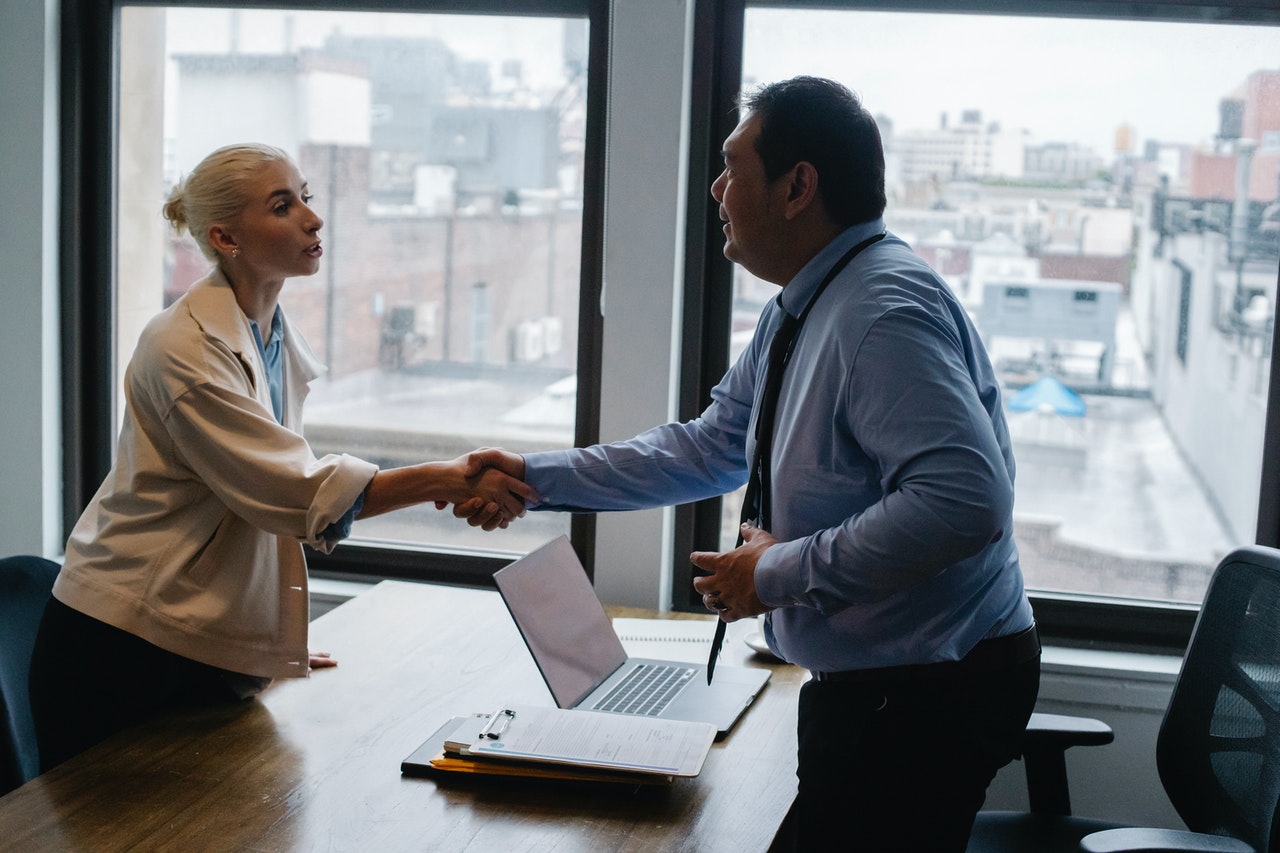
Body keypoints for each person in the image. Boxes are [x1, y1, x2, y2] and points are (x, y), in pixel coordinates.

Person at [464, 77, 1039, 851]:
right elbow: (711, 446)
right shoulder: (807, 301)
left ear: (798, 186)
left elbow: (965, 500)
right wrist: (536, 477)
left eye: (733, 166)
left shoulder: (882, 310)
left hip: (926, 691)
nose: (716, 187)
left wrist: (772, 574)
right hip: (884, 685)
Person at [28, 143, 538, 772]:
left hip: (191, 632)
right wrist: (449, 478)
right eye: (282, 205)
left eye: (306, 197)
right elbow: (292, 492)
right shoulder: (183, 348)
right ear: (225, 236)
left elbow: (261, 500)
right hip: (124, 642)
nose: (312, 219)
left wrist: (267, 639)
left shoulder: (266, 332)